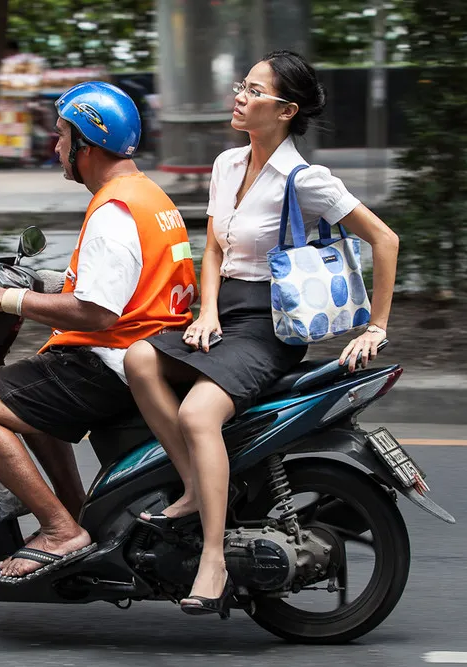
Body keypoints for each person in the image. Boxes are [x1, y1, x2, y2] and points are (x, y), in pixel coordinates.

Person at [122, 50, 400, 616]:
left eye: (253, 90)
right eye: (240, 85)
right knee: (137, 359)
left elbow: (385, 240)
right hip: (227, 313)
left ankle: (214, 558)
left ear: (285, 109)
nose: (239, 97)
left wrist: (376, 326)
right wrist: (206, 312)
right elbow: (215, 246)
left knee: (200, 414)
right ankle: (195, 487)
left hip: (272, 325)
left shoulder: (306, 180)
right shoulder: (227, 164)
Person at [0, 82, 198, 583]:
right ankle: (78, 512)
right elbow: (124, 279)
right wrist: (40, 282)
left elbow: (97, 311)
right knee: (27, 395)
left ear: (86, 142)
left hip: (112, 359)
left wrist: (8, 298)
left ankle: (60, 530)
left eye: (63, 136)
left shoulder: (113, 210)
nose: (56, 147)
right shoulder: (147, 195)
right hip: (152, 348)